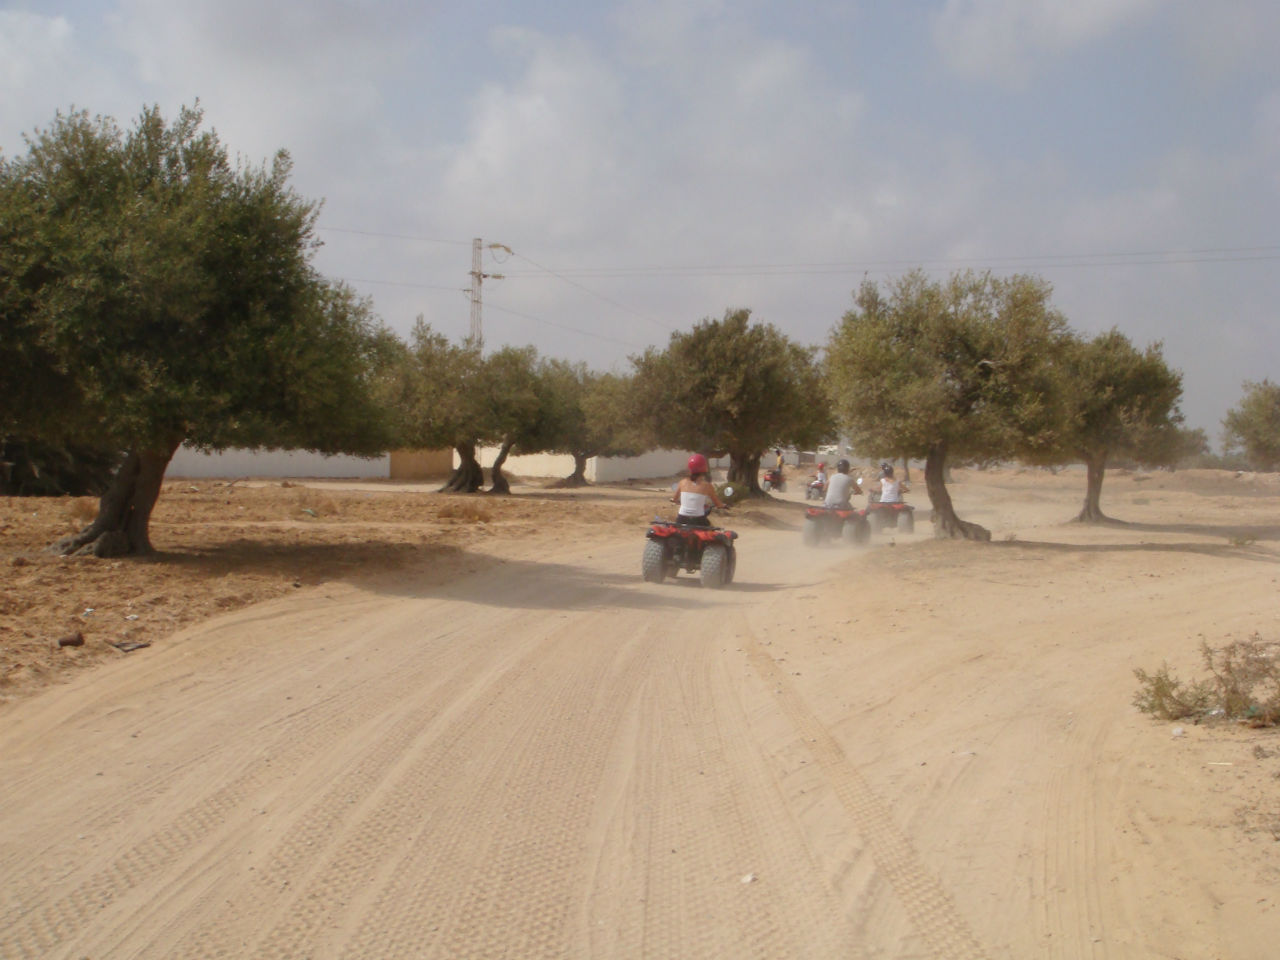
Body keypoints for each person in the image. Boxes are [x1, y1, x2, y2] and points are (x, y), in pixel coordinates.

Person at [671, 453, 725, 526]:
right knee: (710, 532)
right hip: (698, 519)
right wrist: (722, 505)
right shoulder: (707, 486)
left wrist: (678, 501)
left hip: (681, 518)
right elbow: (717, 503)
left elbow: (674, 499)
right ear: (704, 468)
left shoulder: (682, 482)